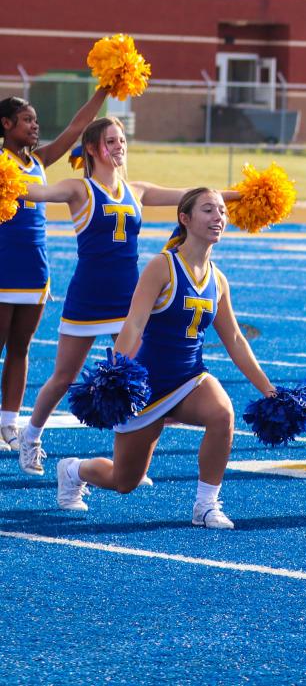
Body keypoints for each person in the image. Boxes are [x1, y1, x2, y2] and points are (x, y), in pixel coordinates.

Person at [56, 189, 277, 528]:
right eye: (208, 210)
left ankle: (205, 506)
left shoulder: (218, 280)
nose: (218, 217)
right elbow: (134, 325)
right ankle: (74, 470)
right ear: (185, 219)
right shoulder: (163, 266)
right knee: (123, 481)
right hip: (147, 386)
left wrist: (269, 391)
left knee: (222, 415)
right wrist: (115, 375)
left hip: (190, 378)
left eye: (221, 210)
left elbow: (233, 338)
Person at [15, 116, 224, 475]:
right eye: (111, 141)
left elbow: (192, 196)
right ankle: (30, 437)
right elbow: (36, 192)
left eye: (122, 140)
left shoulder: (136, 190)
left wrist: (244, 195)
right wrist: (7, 181)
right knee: (64, 376)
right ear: (94, 148)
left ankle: (130, 462)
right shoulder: (79, 189)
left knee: (136, 375)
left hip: (130, 299)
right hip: (89, 295)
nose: (119, 147)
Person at [0, 89, 107, 449]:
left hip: (34, 269)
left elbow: (77, 127)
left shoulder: (40, 162)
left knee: (21, 347)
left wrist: (104, 89)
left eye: (36, 120)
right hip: (2, 268)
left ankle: (9, 424)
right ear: (6, 124)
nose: (35, 126)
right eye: (27, 120)